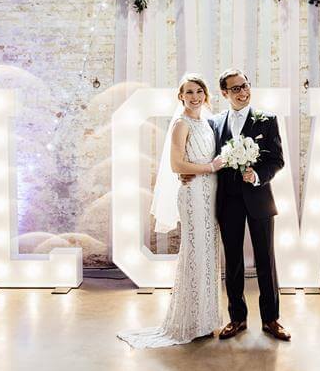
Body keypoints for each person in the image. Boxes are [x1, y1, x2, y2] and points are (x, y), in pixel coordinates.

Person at [117, 74, 224, 349]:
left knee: (209, 252)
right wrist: (210, 167)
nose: (195, 96)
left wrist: (210, 170)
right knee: (194, 251)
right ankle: (187, 321)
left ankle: (206, 319)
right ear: (181, 97)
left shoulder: (209, 123)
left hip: (211, 193)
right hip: (192, 195)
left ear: (206, 94)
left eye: (199, 91)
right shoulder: (181, 124)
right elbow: (178, 165)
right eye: (189, 92)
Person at [209, 68, 291, 341]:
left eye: (245, 86)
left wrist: (256, 175)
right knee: (232, 261)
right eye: (235, 89)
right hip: (228, 201)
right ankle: (237, 319)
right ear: (224, 93)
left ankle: (271, 320)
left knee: (265, 260)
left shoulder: (267, 120)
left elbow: (277, 160)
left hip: (259, 199)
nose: (243, 92)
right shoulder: (216, 122)